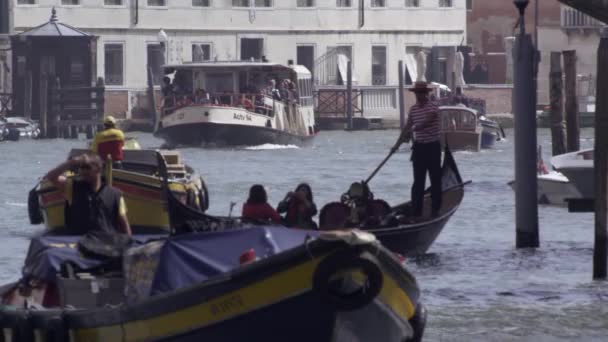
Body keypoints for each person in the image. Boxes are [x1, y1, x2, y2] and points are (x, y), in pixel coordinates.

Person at [45, 153, 132, 236]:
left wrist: (128, 245)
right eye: (81, 168)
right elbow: (51, 176)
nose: (83, 171)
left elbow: (124, 225)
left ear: (98, 169)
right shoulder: (72, 187)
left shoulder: (115, 194)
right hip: (79, 243)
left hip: (105, 244)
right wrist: (72, 162)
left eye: (87, 167)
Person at [392, 81, 442, 218]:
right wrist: (396, 145)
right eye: (417, 93)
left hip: (433, 147)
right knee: (418, 182)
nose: (419, 95)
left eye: (422, 93)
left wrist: (413, 129)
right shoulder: (413, 109)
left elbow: (427, 122)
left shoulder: (434, 107)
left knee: (435, 179)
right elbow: (407, 128)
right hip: (419, 148)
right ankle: (416, 211)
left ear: (426, 93)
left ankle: (435, 209)